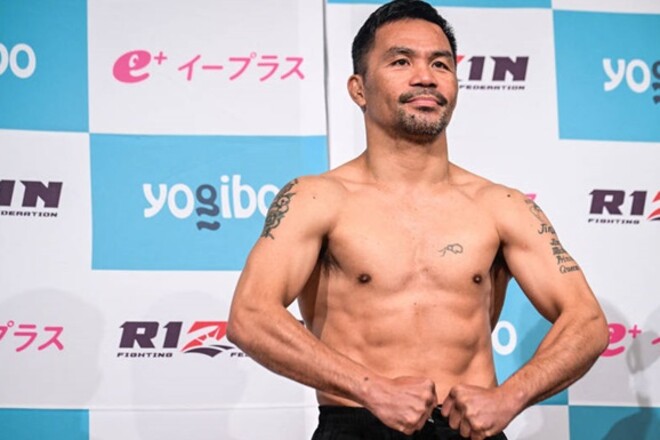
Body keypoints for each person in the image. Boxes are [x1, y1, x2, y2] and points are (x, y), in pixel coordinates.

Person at [227, 1, 609, 438]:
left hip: (470, 430)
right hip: (358, 425)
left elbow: (587, 321)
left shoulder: (501, 205)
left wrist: (510, 396)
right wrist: (370, 389)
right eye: (401, 61)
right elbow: (251, 315)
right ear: (359, 89)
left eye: (440, 64)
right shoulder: (316, 199)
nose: (425, 76)